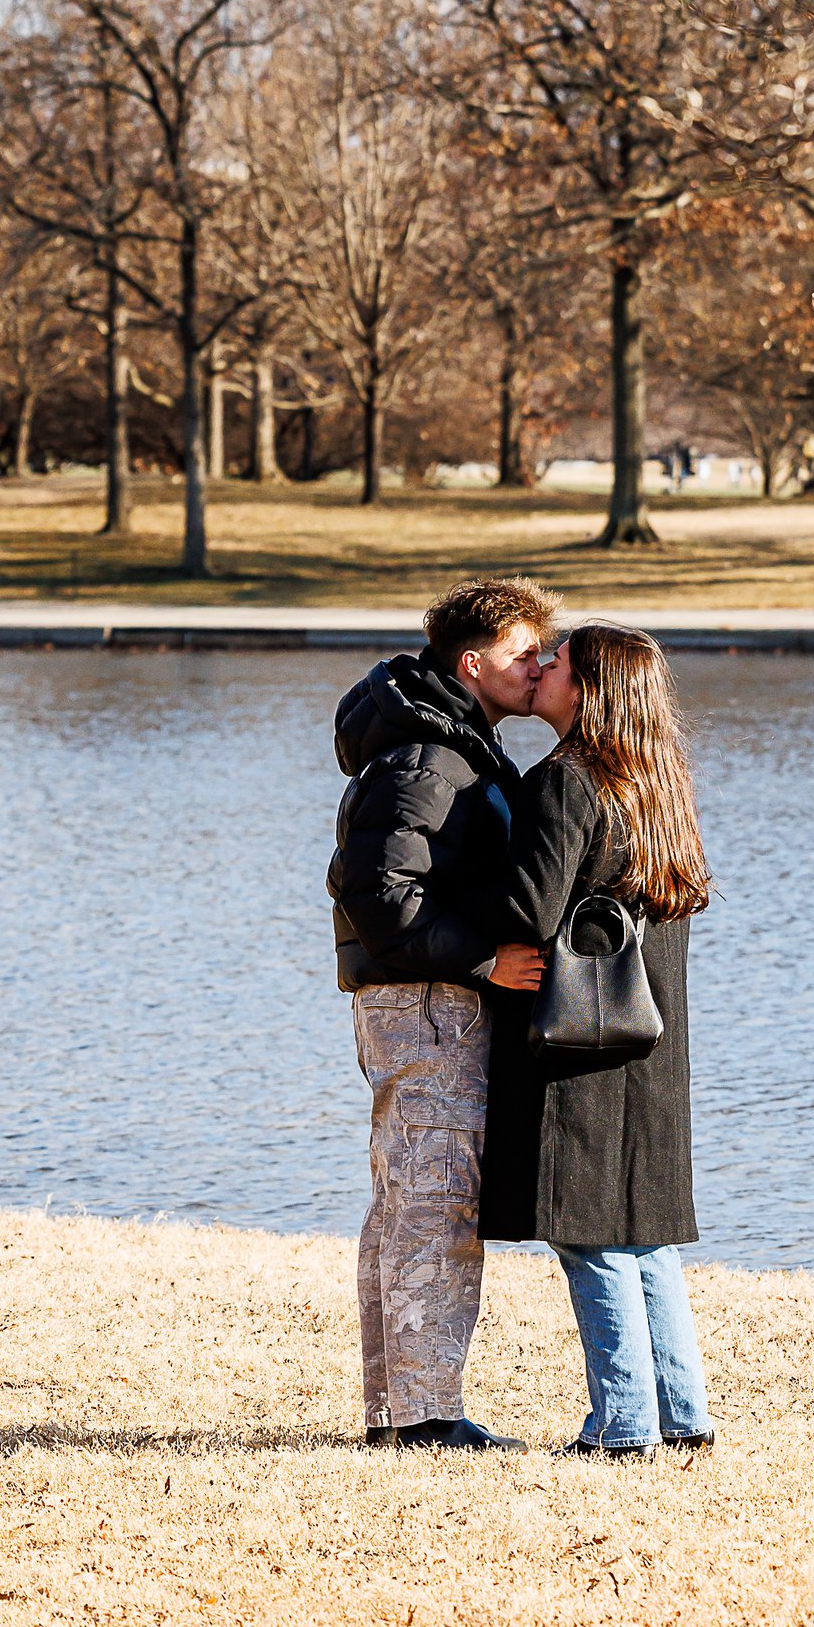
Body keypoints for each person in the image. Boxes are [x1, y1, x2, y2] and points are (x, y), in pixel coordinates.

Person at [329, 576, 556, 1451]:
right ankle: (426, 1418)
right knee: (435, 1204)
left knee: (407, 1201)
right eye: (522, 654)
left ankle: (397, 1413)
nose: (537, 667)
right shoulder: (428, 758)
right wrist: (483, 959)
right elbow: (379, 894)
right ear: (472, 664)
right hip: (427, 1005)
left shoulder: (453, 745)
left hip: (420, 1002)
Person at [481, 620, 716, 1460]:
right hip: (650, 1039)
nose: (540, 668)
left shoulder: (566, 780)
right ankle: (682, 1415)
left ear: (588, 692)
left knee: (588, 1232)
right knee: (641, 1233)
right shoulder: (658, 781)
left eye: (558, 662)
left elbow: (529, 911)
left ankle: (623, 1428)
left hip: (579, 1039)